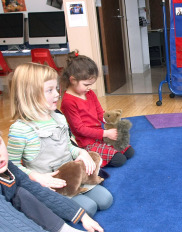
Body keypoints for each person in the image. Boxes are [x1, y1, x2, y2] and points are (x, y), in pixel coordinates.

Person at [0, 133, 104, 232]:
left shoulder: (7, 166)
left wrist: (79, 214)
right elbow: (8, 221)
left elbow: (34, 189)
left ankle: (63, 231)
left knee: (21, 192)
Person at [7, 63, 113, 217]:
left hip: (74, 176)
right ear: (29, 94)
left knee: (106, 200)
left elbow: (66, 147)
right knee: (88, 208)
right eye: (49, 90)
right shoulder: (20, 130)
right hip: (51, 185)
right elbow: (11, 166)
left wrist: (81, 152)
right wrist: (36, 176)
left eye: (56, 88)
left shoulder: (59, 118)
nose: (57, 94)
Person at [60, 52, 134, 168]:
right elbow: (79, 129)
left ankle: (106, 150)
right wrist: (106, 133)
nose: (89, 88)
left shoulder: (89, 93)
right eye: (86, 84)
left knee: (129, 152)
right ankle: (92, 158)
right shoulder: (68, 102)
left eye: (91, 84)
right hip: (86, 142)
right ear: (73, 80)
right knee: (120, 160)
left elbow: (100, 113)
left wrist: (112, 122)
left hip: (99, 136)